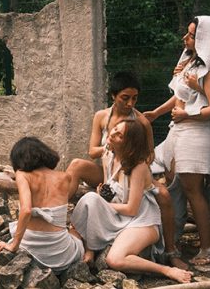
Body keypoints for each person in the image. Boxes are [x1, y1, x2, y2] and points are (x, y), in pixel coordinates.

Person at [66, 71, 186, 269]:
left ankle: (170, 250)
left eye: (135, 98)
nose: (130, 103)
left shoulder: (141, 122)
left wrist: (130, 159)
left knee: (163, 193)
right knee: (76, 165)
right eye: (125, 98)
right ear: (113, 95)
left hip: (133, 170)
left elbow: (149, 156)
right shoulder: (102, 117)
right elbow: (92, 151)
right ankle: (60, 215)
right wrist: (112, 149)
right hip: (108, 169)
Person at [144, 16, 210, 265]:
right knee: (172, 185)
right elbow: (179, 97)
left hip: (194, 133)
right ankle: (174, 241)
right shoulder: (189, 67)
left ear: (203, 39)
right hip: (177, 131)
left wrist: (187, 113)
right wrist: (157, 113)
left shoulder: (208, 73)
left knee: (193, 190)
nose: (185, 38)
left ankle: (208, 247)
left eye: (191, 35)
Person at [71, 120, 192, 283]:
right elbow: (110, 190)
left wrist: (103, 204)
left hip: (141, 220)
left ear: (129, 144)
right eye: (114, 129)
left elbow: (132, 209)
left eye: (119, 135)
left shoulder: (138, 166)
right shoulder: (108, 155)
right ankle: (90, 250)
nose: (112, 135)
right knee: (90, 199)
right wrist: (103, 193)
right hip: (118, 215)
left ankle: (166, 270)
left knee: (114, 260)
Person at [0, 137, 84, 272]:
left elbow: (26, 210)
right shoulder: (65, 177)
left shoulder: (22, 175)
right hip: (61, 256)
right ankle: (90, 253)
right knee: (75, 231)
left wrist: (13, 246)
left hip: (30, 252)